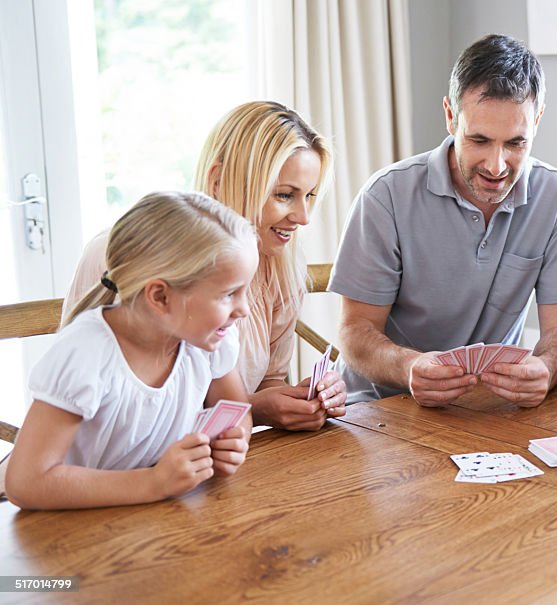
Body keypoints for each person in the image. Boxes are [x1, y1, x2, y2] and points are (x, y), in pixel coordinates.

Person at [330, 34, 557, 407]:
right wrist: (410, 367)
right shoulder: (386, 196)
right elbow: (355, 332)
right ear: (451, 117)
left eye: (516, 143)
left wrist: (546, 368)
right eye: (479, 140)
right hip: (378, 406)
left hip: (487, 408)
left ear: (538, 120)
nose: (497, 166)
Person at [63, 101, 346, 431]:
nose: (303, 217)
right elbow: (102, 416)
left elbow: (267, 381)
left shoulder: (281, 262)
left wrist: (302, 399)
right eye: (284, 195)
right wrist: (256, 410)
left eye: (309, 196)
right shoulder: (119, 254)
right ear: (218, 180)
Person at [5, 192, 257, 509]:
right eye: (230, 294)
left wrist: (233, 440)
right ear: (161, 297)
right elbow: (26, 483)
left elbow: (236, 410)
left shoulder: (207, 342)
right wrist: (154, 483)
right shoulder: (86, 356)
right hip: (65, 532)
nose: (244, 309)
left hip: (151, 524)